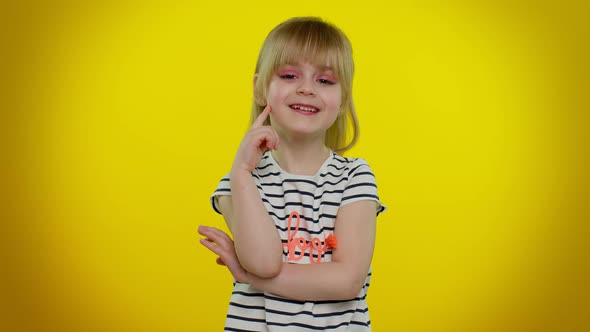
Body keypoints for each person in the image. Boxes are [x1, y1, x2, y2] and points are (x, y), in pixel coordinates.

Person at [198, 16, 386, 331]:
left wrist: (250, 278)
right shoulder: (236, 185)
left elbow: (345, 281)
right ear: (260, 89)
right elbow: (264, 262)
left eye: (325, 81)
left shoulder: (355, 177)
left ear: (342, 102)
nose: (306, 89)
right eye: (289, 75)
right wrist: (243, 172)